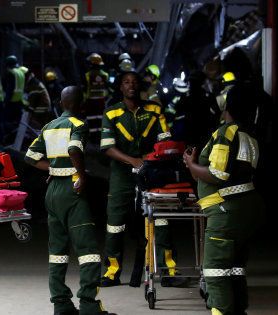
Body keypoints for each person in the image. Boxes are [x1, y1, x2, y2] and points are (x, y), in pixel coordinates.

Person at [25, 86, 115, 315]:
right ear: (80, 104)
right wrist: (82, 175)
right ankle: (88, 305)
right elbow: (74, 148)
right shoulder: (78, 124)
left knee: (57, 251)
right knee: (88, 251)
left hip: (52, 192)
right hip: (72, 191)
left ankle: (61, 304)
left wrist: (54, 168)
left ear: (61, 102)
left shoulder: (49, 126)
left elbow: (31, 157)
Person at [99, 70, 187, 287]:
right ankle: (111, 273)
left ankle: (168, 273)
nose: (131, 86)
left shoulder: (155, 110)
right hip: (122, 177)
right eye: (126, 82)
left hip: (153, 174)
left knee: (162, 220)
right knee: (115, 224)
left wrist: (150, 160)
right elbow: (107, 148)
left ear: (140, 86)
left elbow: (166, 142)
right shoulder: (111, 114)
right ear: (120, 87)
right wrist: (134, 161)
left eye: (135, 82)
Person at [183, 83, 264, 315]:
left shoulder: (226, 132)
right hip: (244, 212)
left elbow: (218, 175)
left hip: (225, 212)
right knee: (235, 268)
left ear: (227, 105)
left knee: (215, 271)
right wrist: (195, 165)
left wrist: (190, 163)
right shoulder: (249, 134)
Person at [2, 55, 26, 132]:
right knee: (18, 124)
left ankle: (9, 140)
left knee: (8, 123)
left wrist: (5, 102)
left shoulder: (11, 73)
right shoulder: (21, 72)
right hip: (19, 102)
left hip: (11, 103)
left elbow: (10, 89)